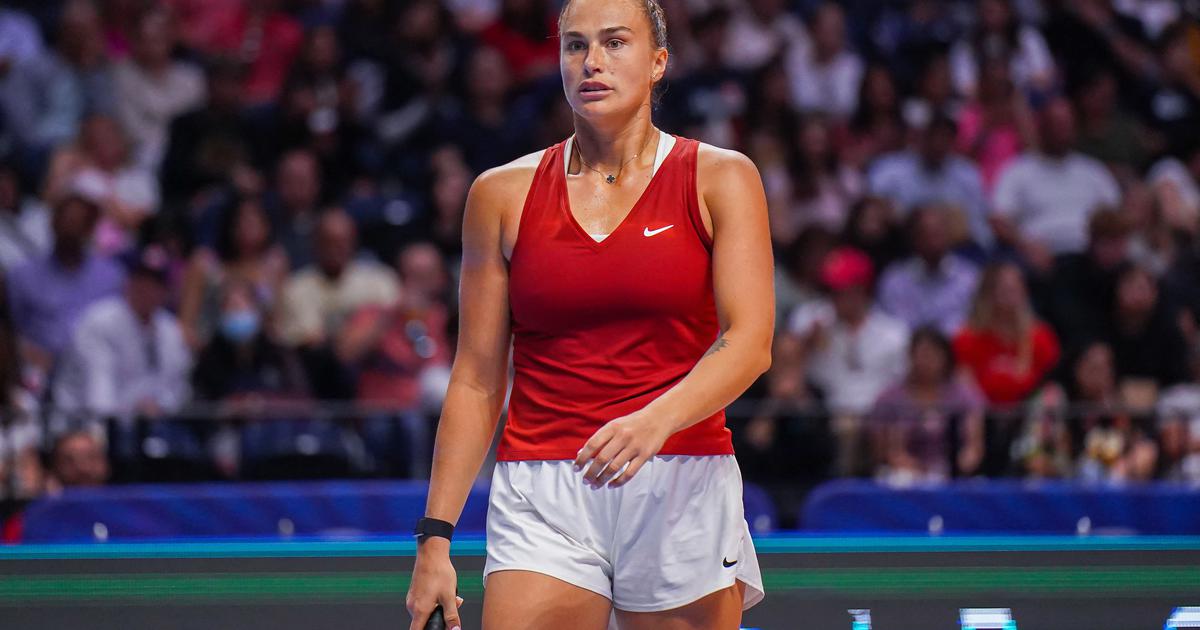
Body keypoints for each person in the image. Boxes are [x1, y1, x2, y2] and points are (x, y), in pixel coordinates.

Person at [406, 0, 774, 627]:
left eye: (614, 42)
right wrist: (435, 537)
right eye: (575, 45)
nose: (591, 62)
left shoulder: (720, 177)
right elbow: (476, 379)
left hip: (680, 474)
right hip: (542, 484)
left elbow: (749, 343)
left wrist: (655, 421)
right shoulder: (500, 194)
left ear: (658, 62)